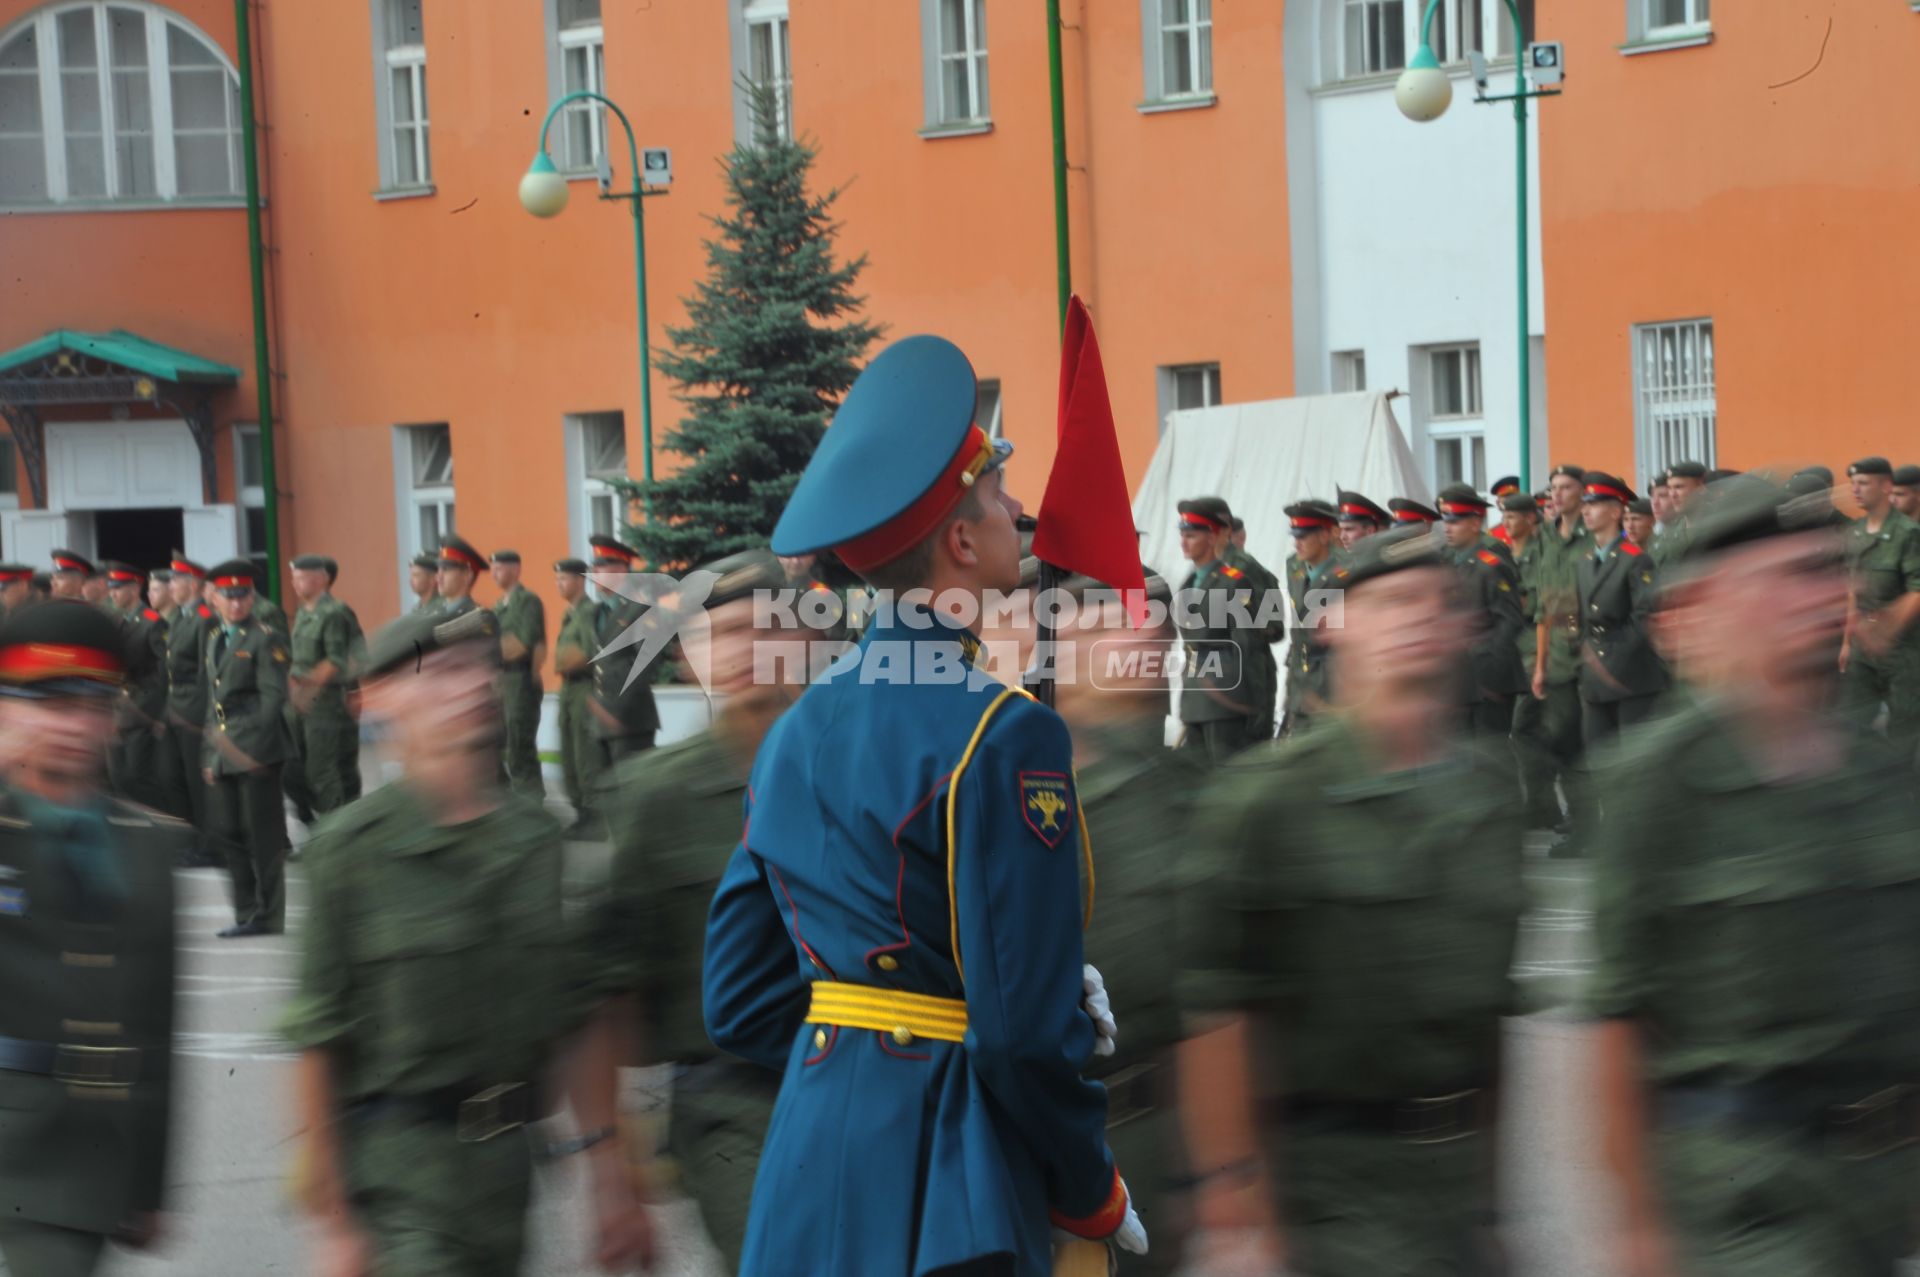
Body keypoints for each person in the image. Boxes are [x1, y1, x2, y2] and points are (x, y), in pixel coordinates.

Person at [702, 335, 1145, 1277]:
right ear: (961, 540)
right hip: (946, 1191)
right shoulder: (1006, 733)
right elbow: (1022, 1040)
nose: (1020, 511)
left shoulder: (796, 729)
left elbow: (737, 1000)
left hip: (806, 1173)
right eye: (998, 496)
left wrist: (864, 1046)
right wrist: (1094, 1190)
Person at [1588, 475, 1920, 1277]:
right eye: (1783, 577)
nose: (1818, 595)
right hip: (1750, 1199)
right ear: (1707, 607)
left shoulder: (1876, 767)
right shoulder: (1660, 779)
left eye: (1824, 570)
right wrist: (1637, 1230)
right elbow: (1614, 1020)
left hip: (1879, 1190)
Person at [1176, 523, 1525, 1277]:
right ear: (1334, 621)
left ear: (1465, 625)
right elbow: (1217, 1018)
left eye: (1436, 602)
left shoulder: (1490, 789)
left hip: (1455, 1185)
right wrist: (1241, 1207)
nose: (1416, 620)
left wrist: (1493, 1207)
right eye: (1392, 601)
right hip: (1331, 1190)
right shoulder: (1268, 798)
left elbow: (1495, 1015)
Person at [280, 605, 579, 1277]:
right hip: (399, 1175)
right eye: (441, 672)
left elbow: (566, 1012)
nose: (473, 685)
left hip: (507, 1172)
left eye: (480, 667)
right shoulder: (349, 851)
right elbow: (317, 1041)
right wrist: (334, 1224)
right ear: (375, 700)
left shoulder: (535, 838)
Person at [573, 549, 794, 1273]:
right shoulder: (653, 799)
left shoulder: (860, 762)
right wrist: (613, 1171)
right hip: (729, 1102)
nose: (736, 652)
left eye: (757, 628)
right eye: (713, 634)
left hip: (871, 1075)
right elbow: (609, 994)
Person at [0, 600, 184, 1277]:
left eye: (93, 704)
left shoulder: (147, 843)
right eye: (49, 703)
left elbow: (158, 1029)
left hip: (88, 1156)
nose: (74, 725)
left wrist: (148, 1188)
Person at [1051, 566, 1197, 1277]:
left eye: (1152, 622)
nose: (1143, 635)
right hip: (1032, 1135)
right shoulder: (990, 790)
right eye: (1113, 619)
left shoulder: (1191, 795)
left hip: (1160, 1132)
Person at [201, 559, 290, 938]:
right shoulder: (215, 638)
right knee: (228, 832)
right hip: (224, 752)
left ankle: (267, 916)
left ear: (252, 598)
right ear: (216, 598)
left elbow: (272, 700)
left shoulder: (265, 637)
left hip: (255, 754)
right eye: (228, 596)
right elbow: (213, 700)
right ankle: (245, 911)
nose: (236, 604)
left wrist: (249, 753)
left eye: (243, 596)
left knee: (262, 837)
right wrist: (211, 756)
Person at [1175, 497, 1271, 756]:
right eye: (1182, 534)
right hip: (1195, 699)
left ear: (1212, 536)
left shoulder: (1234, 583)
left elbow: (1247, 647)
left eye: (1191, 535)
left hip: (1226, 700)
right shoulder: (1187, 584)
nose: (1183, 542)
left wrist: (1257, 705)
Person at [1507, 494, 1580, 837]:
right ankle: (1541, 808)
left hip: (1535, 653)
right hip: (1518, 655)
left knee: (1546, 735)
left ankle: (1550, 810)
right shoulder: (1330, 572)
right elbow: (1321, 632)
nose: (1347, 535)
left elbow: (1542, 606)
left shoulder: (1337, 571)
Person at [1576, 473, 1666, 748]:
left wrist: (1609, 659)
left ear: (1616, 511)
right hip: (1594, 678)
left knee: (1635, 760)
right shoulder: (1585, 561)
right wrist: (1584, 651)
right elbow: (1580, 616)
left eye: (1594, 504)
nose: (1586, 511)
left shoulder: (1637, 560)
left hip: (1631, 675)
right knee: (1598, 757)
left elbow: (1644, 617)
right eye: (1584, 504)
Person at [1840, 456, 1920, 759]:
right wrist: (1847, 642)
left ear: (1886, 486)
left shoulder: (1908, 533)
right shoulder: (1855, 533)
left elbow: (1917, 589)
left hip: (1904, 650)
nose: (1856, 490)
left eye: (1863, 483)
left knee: (1904, 727)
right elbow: (1852, 590)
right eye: (1853, 484)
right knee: (1852, 722)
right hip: (1864, 646)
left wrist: (1888, 628)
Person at [1437, 483, 1526, 739]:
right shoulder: (1447, 563)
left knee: (1492, 760)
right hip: (1460, 680)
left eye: (1454, 521)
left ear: (1475, 524)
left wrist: (1487, 675)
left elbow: (1509, 622)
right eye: (1445, 521)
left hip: (1487, 680)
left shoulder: (1490, 566)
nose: (1447, 528)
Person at [286, 554, 359, 818]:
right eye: (293, 578)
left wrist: (307, 688)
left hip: (323, 702)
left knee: (322, 772)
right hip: (298, 700)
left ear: (321, 579)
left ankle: (336, 834)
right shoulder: (305, 614)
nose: (295, 584)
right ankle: (317, 826)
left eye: (301, 578)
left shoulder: (333, 613)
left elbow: (336, 660)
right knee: (292, 768)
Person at [103, 563, 173, 814]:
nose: (112, 593)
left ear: (134, 588)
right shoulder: (115, 619)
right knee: (118, 778)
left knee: (137, 777)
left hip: (142, 711)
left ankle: (164, 828)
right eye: (111, 588)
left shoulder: (152, 622)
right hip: (117, 709)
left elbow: (165, 672)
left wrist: (153, 711)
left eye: (118, 588)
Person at [587, 535, 662, 762]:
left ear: (621, 569)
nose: (593, 573)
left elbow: (646, 663)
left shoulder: (640, 608)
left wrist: (616, 708)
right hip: (601, 722)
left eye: (600, 567)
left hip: (631, 720)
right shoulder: (597, 612)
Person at [1279, 499, 1345, 741]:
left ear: (1328, 534)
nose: (1297, 542)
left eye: (1304, 535)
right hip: (1299, 683)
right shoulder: (1294, 566)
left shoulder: (1347, 572)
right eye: (1294, 535)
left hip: (1331, 687)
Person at [164, 557, 217, 857]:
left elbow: (205, 672)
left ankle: (209, 846)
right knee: (174, 778)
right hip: (176, 706)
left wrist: (195, 716)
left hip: (192, 713)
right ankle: (190, 839)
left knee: (198, 785)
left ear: (193, 584)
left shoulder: (204, 617)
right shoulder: (182, 617)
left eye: (175, 580)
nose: (170, 586)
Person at [488, 549, 547, 798]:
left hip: (520, 681)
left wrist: (493, 649)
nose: (493, 572)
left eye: (499, 567)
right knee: (497, 747)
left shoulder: (528, 601)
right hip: (500, 683)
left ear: (515, 570)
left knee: (520, 748)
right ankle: (508, 805)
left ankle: (531, 805)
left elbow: (522, 645)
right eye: (492, 567)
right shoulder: (497, 607)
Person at [552, 557, 601, 829]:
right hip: (567, 689)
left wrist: (571, 660)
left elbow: (593, 653)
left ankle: (591, 814)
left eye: (564, 578)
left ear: (580, 580)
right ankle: (579, 810)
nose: (559, 584)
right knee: (568, 750)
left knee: (584, 752)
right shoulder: (569, 615)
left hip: (583, 687)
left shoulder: (590, 612)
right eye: (557, 579)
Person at [1651, 460, 1706, 567]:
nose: (1672, 494)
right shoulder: (1669, 532)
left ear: (1701, 488)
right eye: (1670, 488)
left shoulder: (1720, 523)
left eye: (1678, 487)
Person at [434, 537, 486, 618]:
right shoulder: (435, 613)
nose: (438, 576)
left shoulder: (477, 618)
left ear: (468, 575)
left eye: (446, 569)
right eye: (438, 569)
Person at [1487, 476, 1520, 544]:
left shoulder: (1536, 529)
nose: (1511, 500)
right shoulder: (1493, 533)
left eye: (1511, 496)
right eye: (1506, 497)